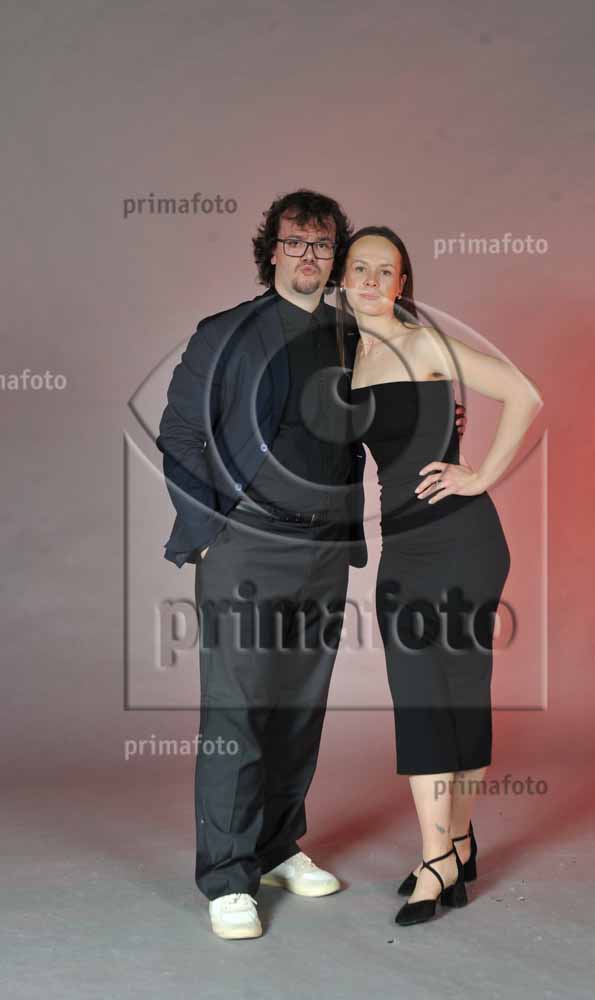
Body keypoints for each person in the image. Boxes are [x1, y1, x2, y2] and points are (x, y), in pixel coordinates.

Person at [156, 189, 470, 939]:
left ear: (334, 259)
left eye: (323, 245)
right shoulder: (224, 334)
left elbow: (393, 411)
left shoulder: (350, 336)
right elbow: (179, 435)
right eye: (295, 242)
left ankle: (276, 848)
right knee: (238, 711)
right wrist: (209, 533)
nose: (308, 255)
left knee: (299, 710)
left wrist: (440, 423)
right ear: (272, 251)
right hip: (244, 549)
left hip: (325, 550)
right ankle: (227, 876)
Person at [339, 225, 543, 927]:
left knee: (457, 692)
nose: (371, 280)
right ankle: (453, 846)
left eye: (385, 270)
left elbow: (522, 393)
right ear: (343, 279)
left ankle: (440, 854)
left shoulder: (424, 343)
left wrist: (480, 475)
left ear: (402, 284)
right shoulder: (346, 360)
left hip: (463, 541)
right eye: (360, 267)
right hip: (403, 549)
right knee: (419, 697)